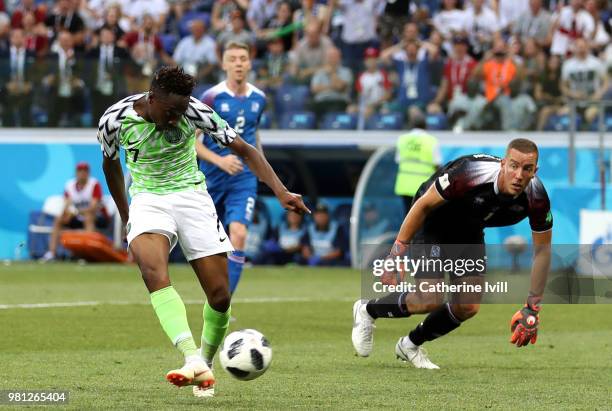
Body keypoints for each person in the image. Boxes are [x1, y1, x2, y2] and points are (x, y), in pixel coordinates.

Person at [98, 66, 308, 397]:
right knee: (153, 272)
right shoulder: (114, 119)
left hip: (191, 197)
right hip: (148, 199)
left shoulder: (196, 111)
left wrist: (281, 191)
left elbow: (247, 150)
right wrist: (127, 216)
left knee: (220, 296)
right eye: (170, 112)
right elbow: (110, 165)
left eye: (180, 112)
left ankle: (204, 367)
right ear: (152, 99)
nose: (175, 120)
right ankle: (191, 356)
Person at [352, 138, 553, 368]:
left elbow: (543, 252)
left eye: (527, 169)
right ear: (503, 164)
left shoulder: (537, 198)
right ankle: (367, 310)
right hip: (433, 220)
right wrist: (396, 254)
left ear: (534, 171)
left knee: (467, 306)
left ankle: (409, 345)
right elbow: (423, 205)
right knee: (429, 298)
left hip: (469, 229)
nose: (519, 175)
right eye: (514, 166)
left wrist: (533, 308)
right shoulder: (470, 174)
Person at [196, 41, 268, 299]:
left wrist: (262, 169)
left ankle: (225, 302)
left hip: (243, 179)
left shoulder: (259, 98)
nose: (238, 63)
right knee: (209, 244)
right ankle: (213, 292)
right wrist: (220, 161)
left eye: (243, 58)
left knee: (238, 234)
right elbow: (193, 142)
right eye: (233, 59)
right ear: (224, 64)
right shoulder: (210, 97)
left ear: (249, 63)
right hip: (211, 177)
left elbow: (253, 137)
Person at [42, 162, 109, 261]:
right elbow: (67, 204)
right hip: (78, 217)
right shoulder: (69, 185)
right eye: (80, 171)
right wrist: (67, 213)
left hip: (98, 217)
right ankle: (52, 253)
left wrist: (76, 212)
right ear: (76, 173)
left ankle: (87, 253)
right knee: (59, 219)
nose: (82, 173)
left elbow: (93, 207)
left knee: (88, 217)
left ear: (88, 173)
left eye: (84, 171)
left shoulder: (94, 184)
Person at [393, 117, 442, 214]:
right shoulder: (431, 141)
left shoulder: (403, 139)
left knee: (407, 215)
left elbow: (398, 160)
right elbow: (437, 164)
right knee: (422, 216)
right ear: (426, 126)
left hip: (404, 185)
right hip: (423, 187)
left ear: (411, 125)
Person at [301, 202, 346, 266]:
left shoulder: (337, 228)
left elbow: (338, 252)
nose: (320, 217)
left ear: (328, 216)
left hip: (331, 262)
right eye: (318, 215)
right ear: (314, 216)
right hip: (313, 261)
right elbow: (305, 248)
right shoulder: (309, 228)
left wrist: (320, 259)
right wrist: (310, 257)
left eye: (323, 214)